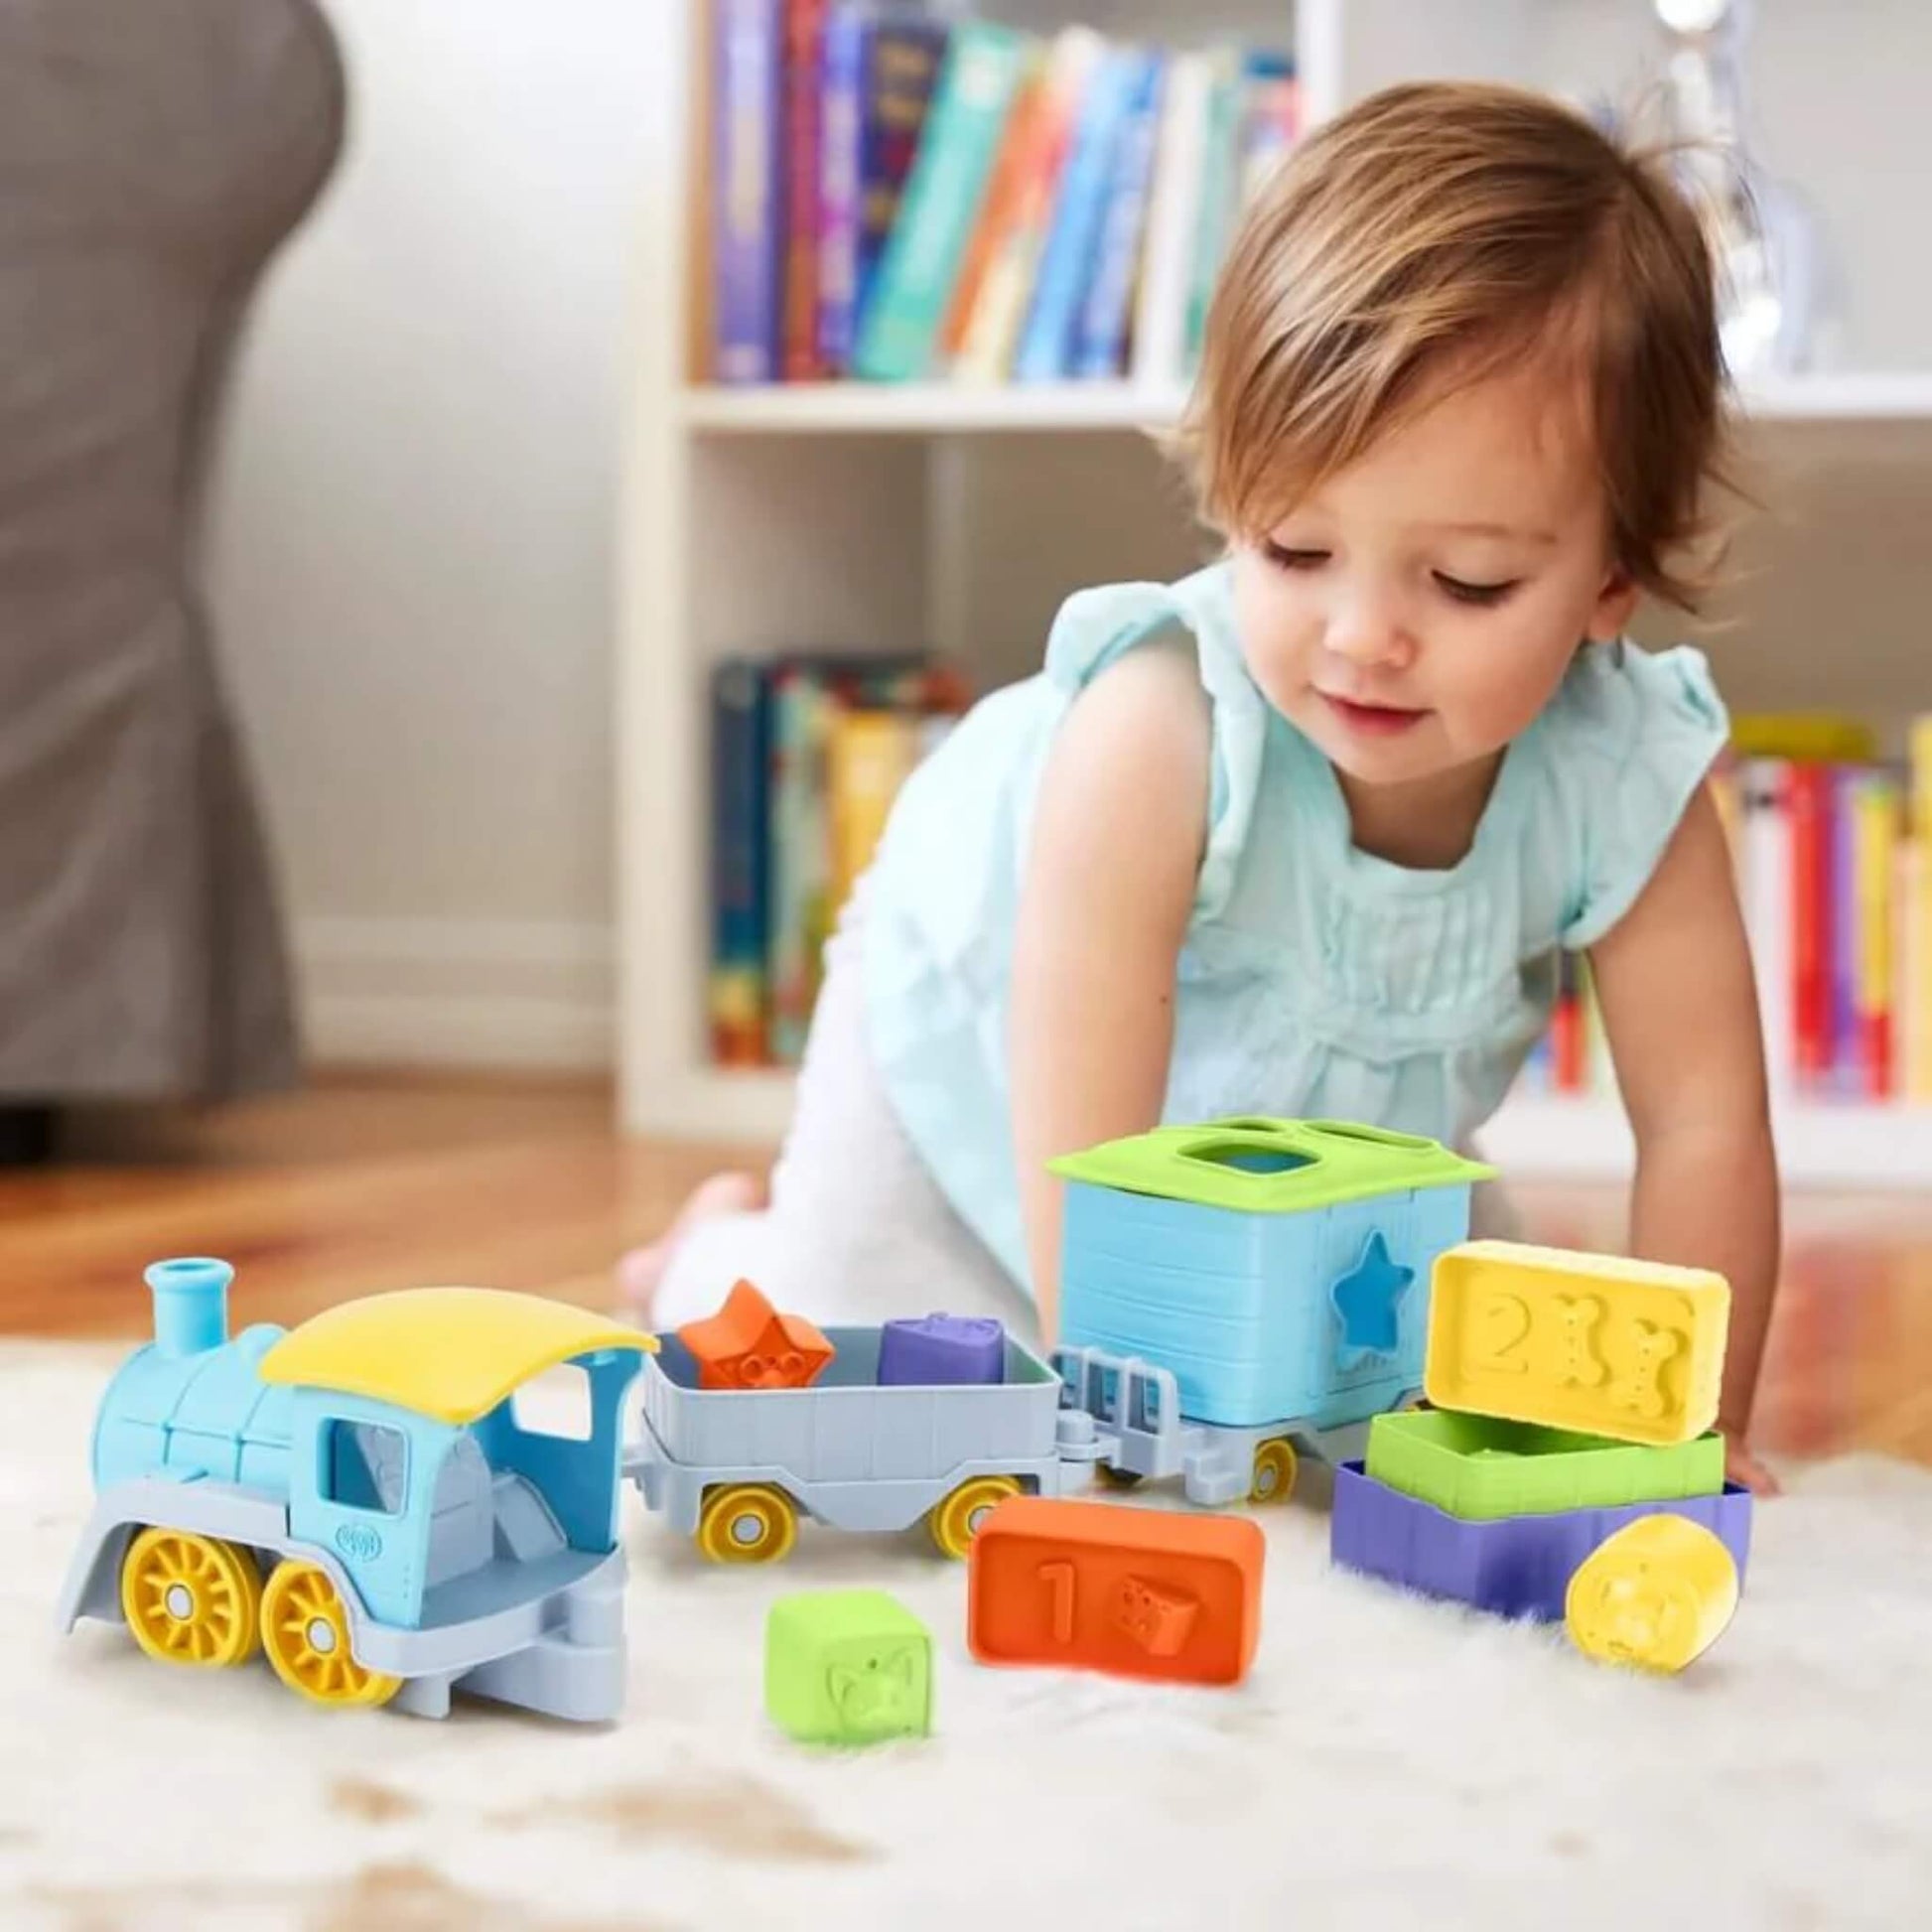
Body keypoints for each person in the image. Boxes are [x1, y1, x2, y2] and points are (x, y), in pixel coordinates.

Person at [621, 81, 1781, 1492]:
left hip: (1317, 1150)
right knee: (842, 1378)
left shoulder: (1626, 779)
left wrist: (1693, 1429)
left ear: (1610, 576)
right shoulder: (1160, 726)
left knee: (1408, 1390)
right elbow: (1079, 1119)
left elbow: (1703, 1120)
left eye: (1467, 581)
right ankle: (707, 1255)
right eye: (1294, 550)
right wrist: (1107, 1409)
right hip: (997, 1062)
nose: (1361, 634)